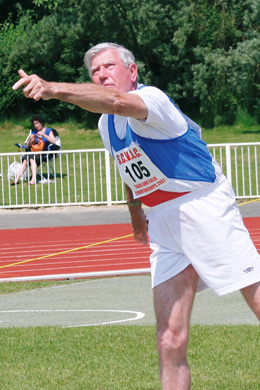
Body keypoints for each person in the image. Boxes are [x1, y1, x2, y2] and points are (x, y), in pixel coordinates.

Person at [12, 42, 260, 389]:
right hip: (162, 221)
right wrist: (134, 211)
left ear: (132, 71)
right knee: (169, 339)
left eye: (109, 66)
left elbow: (116, 101)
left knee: (256, 297)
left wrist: (53, 89)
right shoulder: (105, 125)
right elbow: (129, 166)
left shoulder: (152, 100)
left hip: (203, 208)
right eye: (95, 71)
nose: (101, 74)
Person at [11, 115, 57, 185]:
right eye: (34, 124)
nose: (36, 125)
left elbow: (53, 141)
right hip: (34, 152)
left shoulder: (48, 130)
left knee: (30, 157)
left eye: (37, 123)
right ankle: (17, 179)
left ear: (41, 123)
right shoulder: (34, 132)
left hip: (45, 154)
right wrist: (30, 139)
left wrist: (44, 135)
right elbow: (28, 147)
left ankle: (33, 180)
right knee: (27, 159)